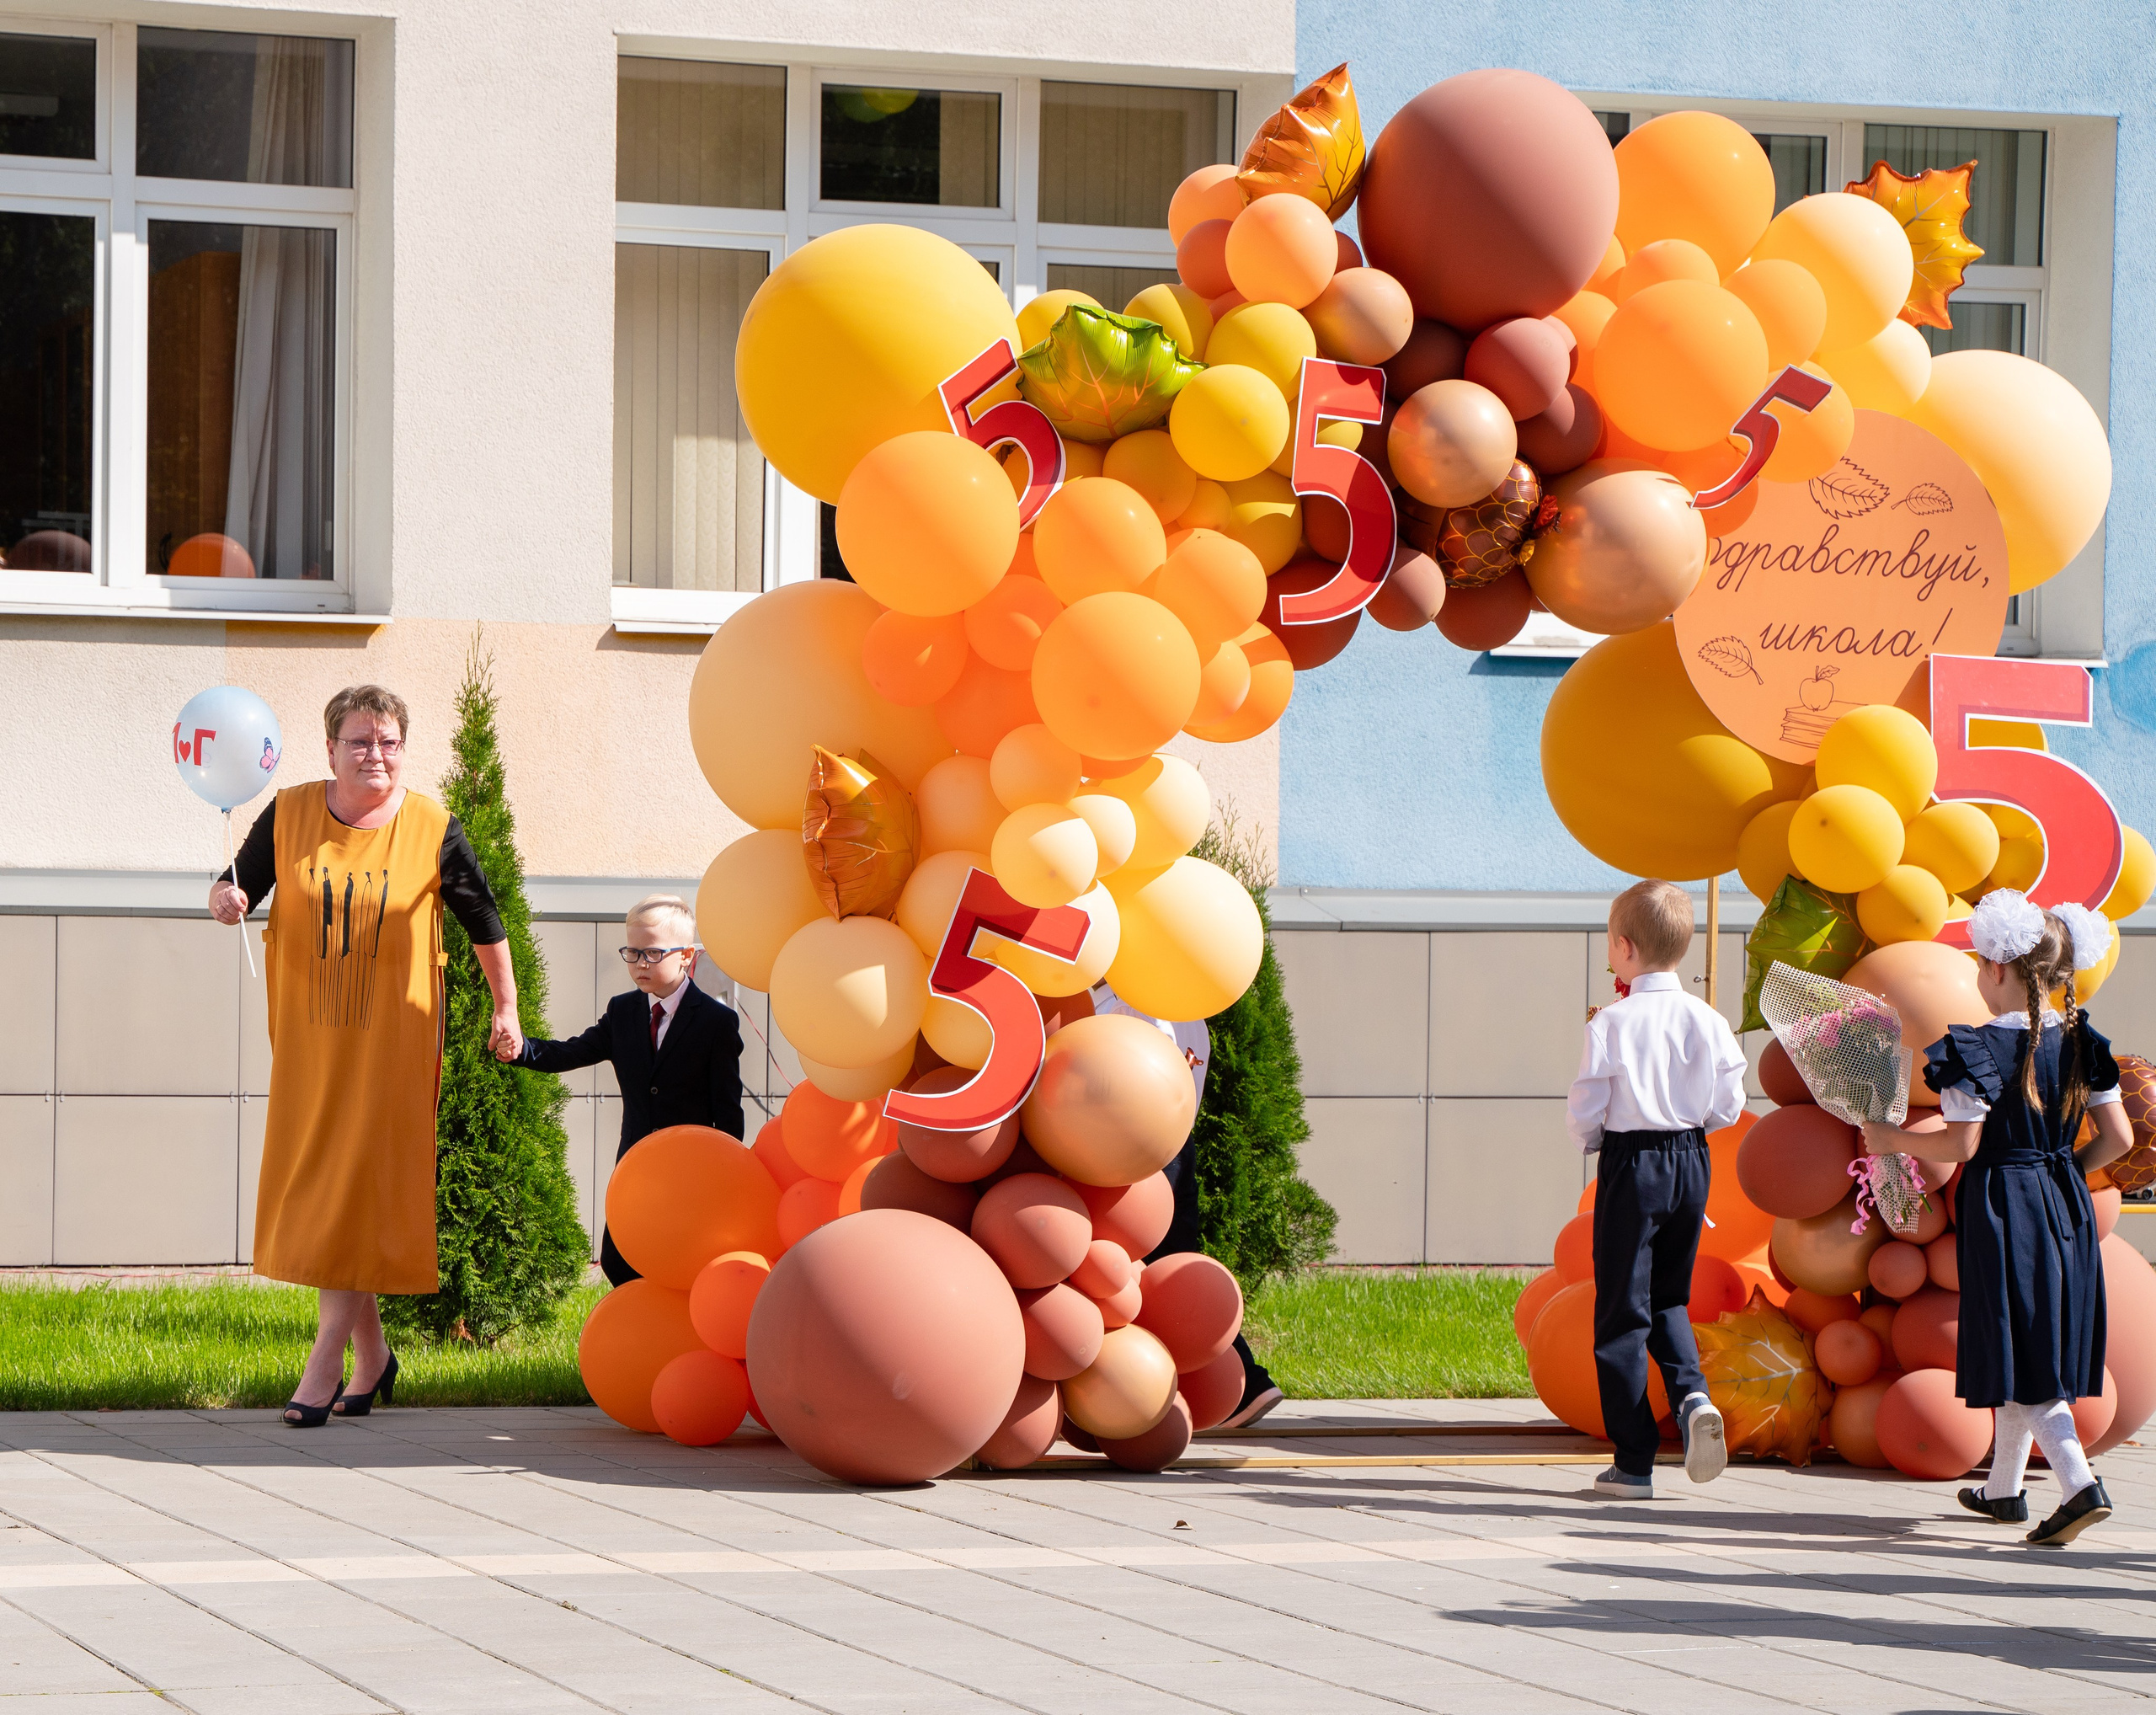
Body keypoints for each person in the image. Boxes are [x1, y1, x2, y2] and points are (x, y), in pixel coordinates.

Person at [211, 685, 521, 1428]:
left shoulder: (431, 826)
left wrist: (507, 1006)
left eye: (387, 741)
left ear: (403, 749)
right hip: (312, 1044)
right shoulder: (288, 813)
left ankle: (324, 1364)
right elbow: (238, 887)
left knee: (358, 1185)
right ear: (331, 750)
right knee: (328, 1187)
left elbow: (483, 917)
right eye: (359, 741)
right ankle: (374, 1356)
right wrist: (223, 899)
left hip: (395, 1044)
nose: (374, 754)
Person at [1860, 893, 2131, 1547]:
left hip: (2004, 1204)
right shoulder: (2083, 1042)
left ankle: (2077, 1483)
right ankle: (2004, 1492)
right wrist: (2063, 1167)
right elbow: (2118, 1138)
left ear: (2002, 971)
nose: (1978, 977)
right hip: (2062, 1197)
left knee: (2022, 1342)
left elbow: (1961, 1146)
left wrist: (1894, 1142)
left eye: (1981, 966)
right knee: (2032, 1337)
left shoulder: (1974, 1049)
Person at [1566, 878, 1746, 1499]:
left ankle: (1634, 1461)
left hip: (1632, 1162)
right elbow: (1729, 1102)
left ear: (1623, 947)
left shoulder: (1611, 1022)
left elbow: (1586, 1107)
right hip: (1692, 1159)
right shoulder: (1708, 1018)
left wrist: (1594, 1140)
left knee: (1620, 1311)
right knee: (1669, 1295)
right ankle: (1693, 1397)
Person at [499, 895, 744, 1285]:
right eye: (632, 952)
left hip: (688, 1169)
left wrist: (721, 1177)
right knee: (618, 1259)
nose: (640, 964)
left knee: (681, 1261)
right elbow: (573, 1051)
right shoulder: (623, 1011)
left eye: (651, 953)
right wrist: (522, 1049)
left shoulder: (717, 1022)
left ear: (685, 955)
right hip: (633, 1164)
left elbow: (729, 1113)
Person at [1088, 979, 1282, 1429]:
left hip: (1130, 1153)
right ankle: (1239, 1383)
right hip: (1171, 1150)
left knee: (1147, 1273)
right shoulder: (1185, 1014)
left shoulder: (1123, 1009)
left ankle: (1235, 1384)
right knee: (1170, 1267)